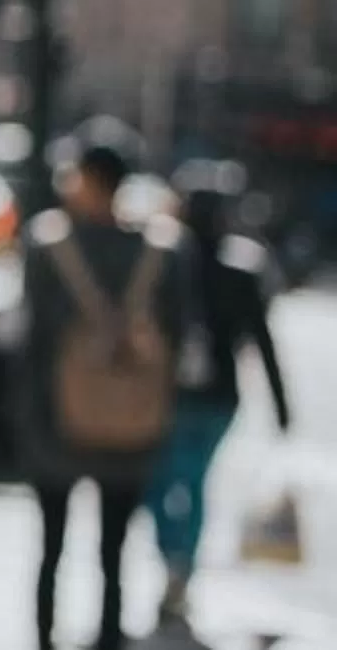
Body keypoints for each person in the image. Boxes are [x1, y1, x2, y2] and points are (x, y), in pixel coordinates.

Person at [19, 127, 182, 650]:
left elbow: (32, 340)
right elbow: (177, 337)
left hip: (56, 423)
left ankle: (45, 638)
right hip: (132, 423)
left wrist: (25, 419)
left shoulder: (48, 244)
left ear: (89, 178)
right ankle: (109, 638)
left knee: (51, 547)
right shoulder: (160, 250)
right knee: (115, 549)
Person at [148, 164, 294, 631]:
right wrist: (281, 406)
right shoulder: (236, 268)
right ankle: (180, 565)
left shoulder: (171, 262)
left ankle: (175, 562)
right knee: (191, 483)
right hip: (213, 398)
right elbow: (263, 342)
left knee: (165, 482)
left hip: (179, 397)